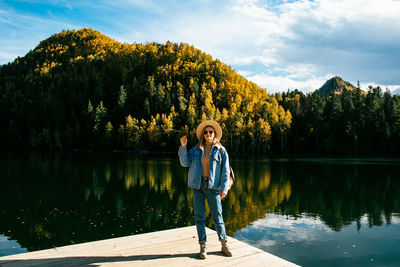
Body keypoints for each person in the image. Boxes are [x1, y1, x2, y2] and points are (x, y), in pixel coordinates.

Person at [178, 120, 232, 259]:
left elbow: (225, 171)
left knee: (217, 217)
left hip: (213, 187)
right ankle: (203, 246)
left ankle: (224, 244)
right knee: (199, 217)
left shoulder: (221, 150)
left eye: (211, 132)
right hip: (197, 186)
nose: (208, 134)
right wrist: (183, 147)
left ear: (214, 134)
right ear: (203, 134)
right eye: (206, 132)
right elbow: (184, 163)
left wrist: (224, 189)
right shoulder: (196, 149)